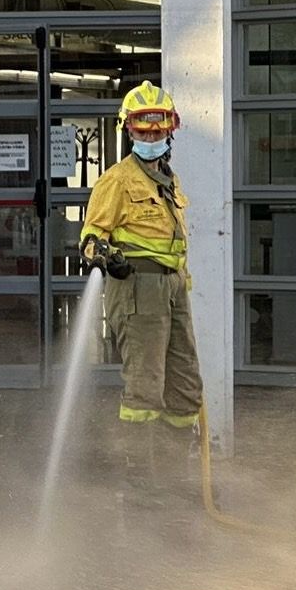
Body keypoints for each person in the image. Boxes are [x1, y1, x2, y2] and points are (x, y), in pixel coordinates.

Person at [79, 81, 203, 430]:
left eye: (157, 133)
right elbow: (90, 236)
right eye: (143, 134)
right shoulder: (117, 180)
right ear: (129, 131)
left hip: (173, 288)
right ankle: (141, 479)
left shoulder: (169, 180)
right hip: (138, 288)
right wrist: (106, 257)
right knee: (146, 388)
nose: (151, 140)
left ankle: (174, 471)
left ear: (169, 132)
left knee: (185, 386)